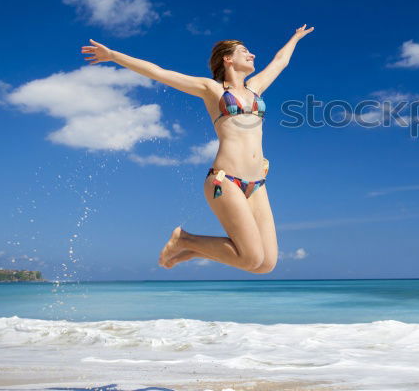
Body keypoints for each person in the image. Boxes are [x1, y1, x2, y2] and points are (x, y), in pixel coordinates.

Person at [81, 25, 314, 273]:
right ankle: (185, 240)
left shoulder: (256, 87)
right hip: (225, 181)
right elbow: (158, 72)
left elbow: (280, 62)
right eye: (245, 51)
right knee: (249, 258)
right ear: (228, 58)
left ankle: (192, 250)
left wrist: (296, 38)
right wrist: (113, 55)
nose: (252, 55)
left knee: (265, 264)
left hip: (258, 183)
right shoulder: (211, 89)